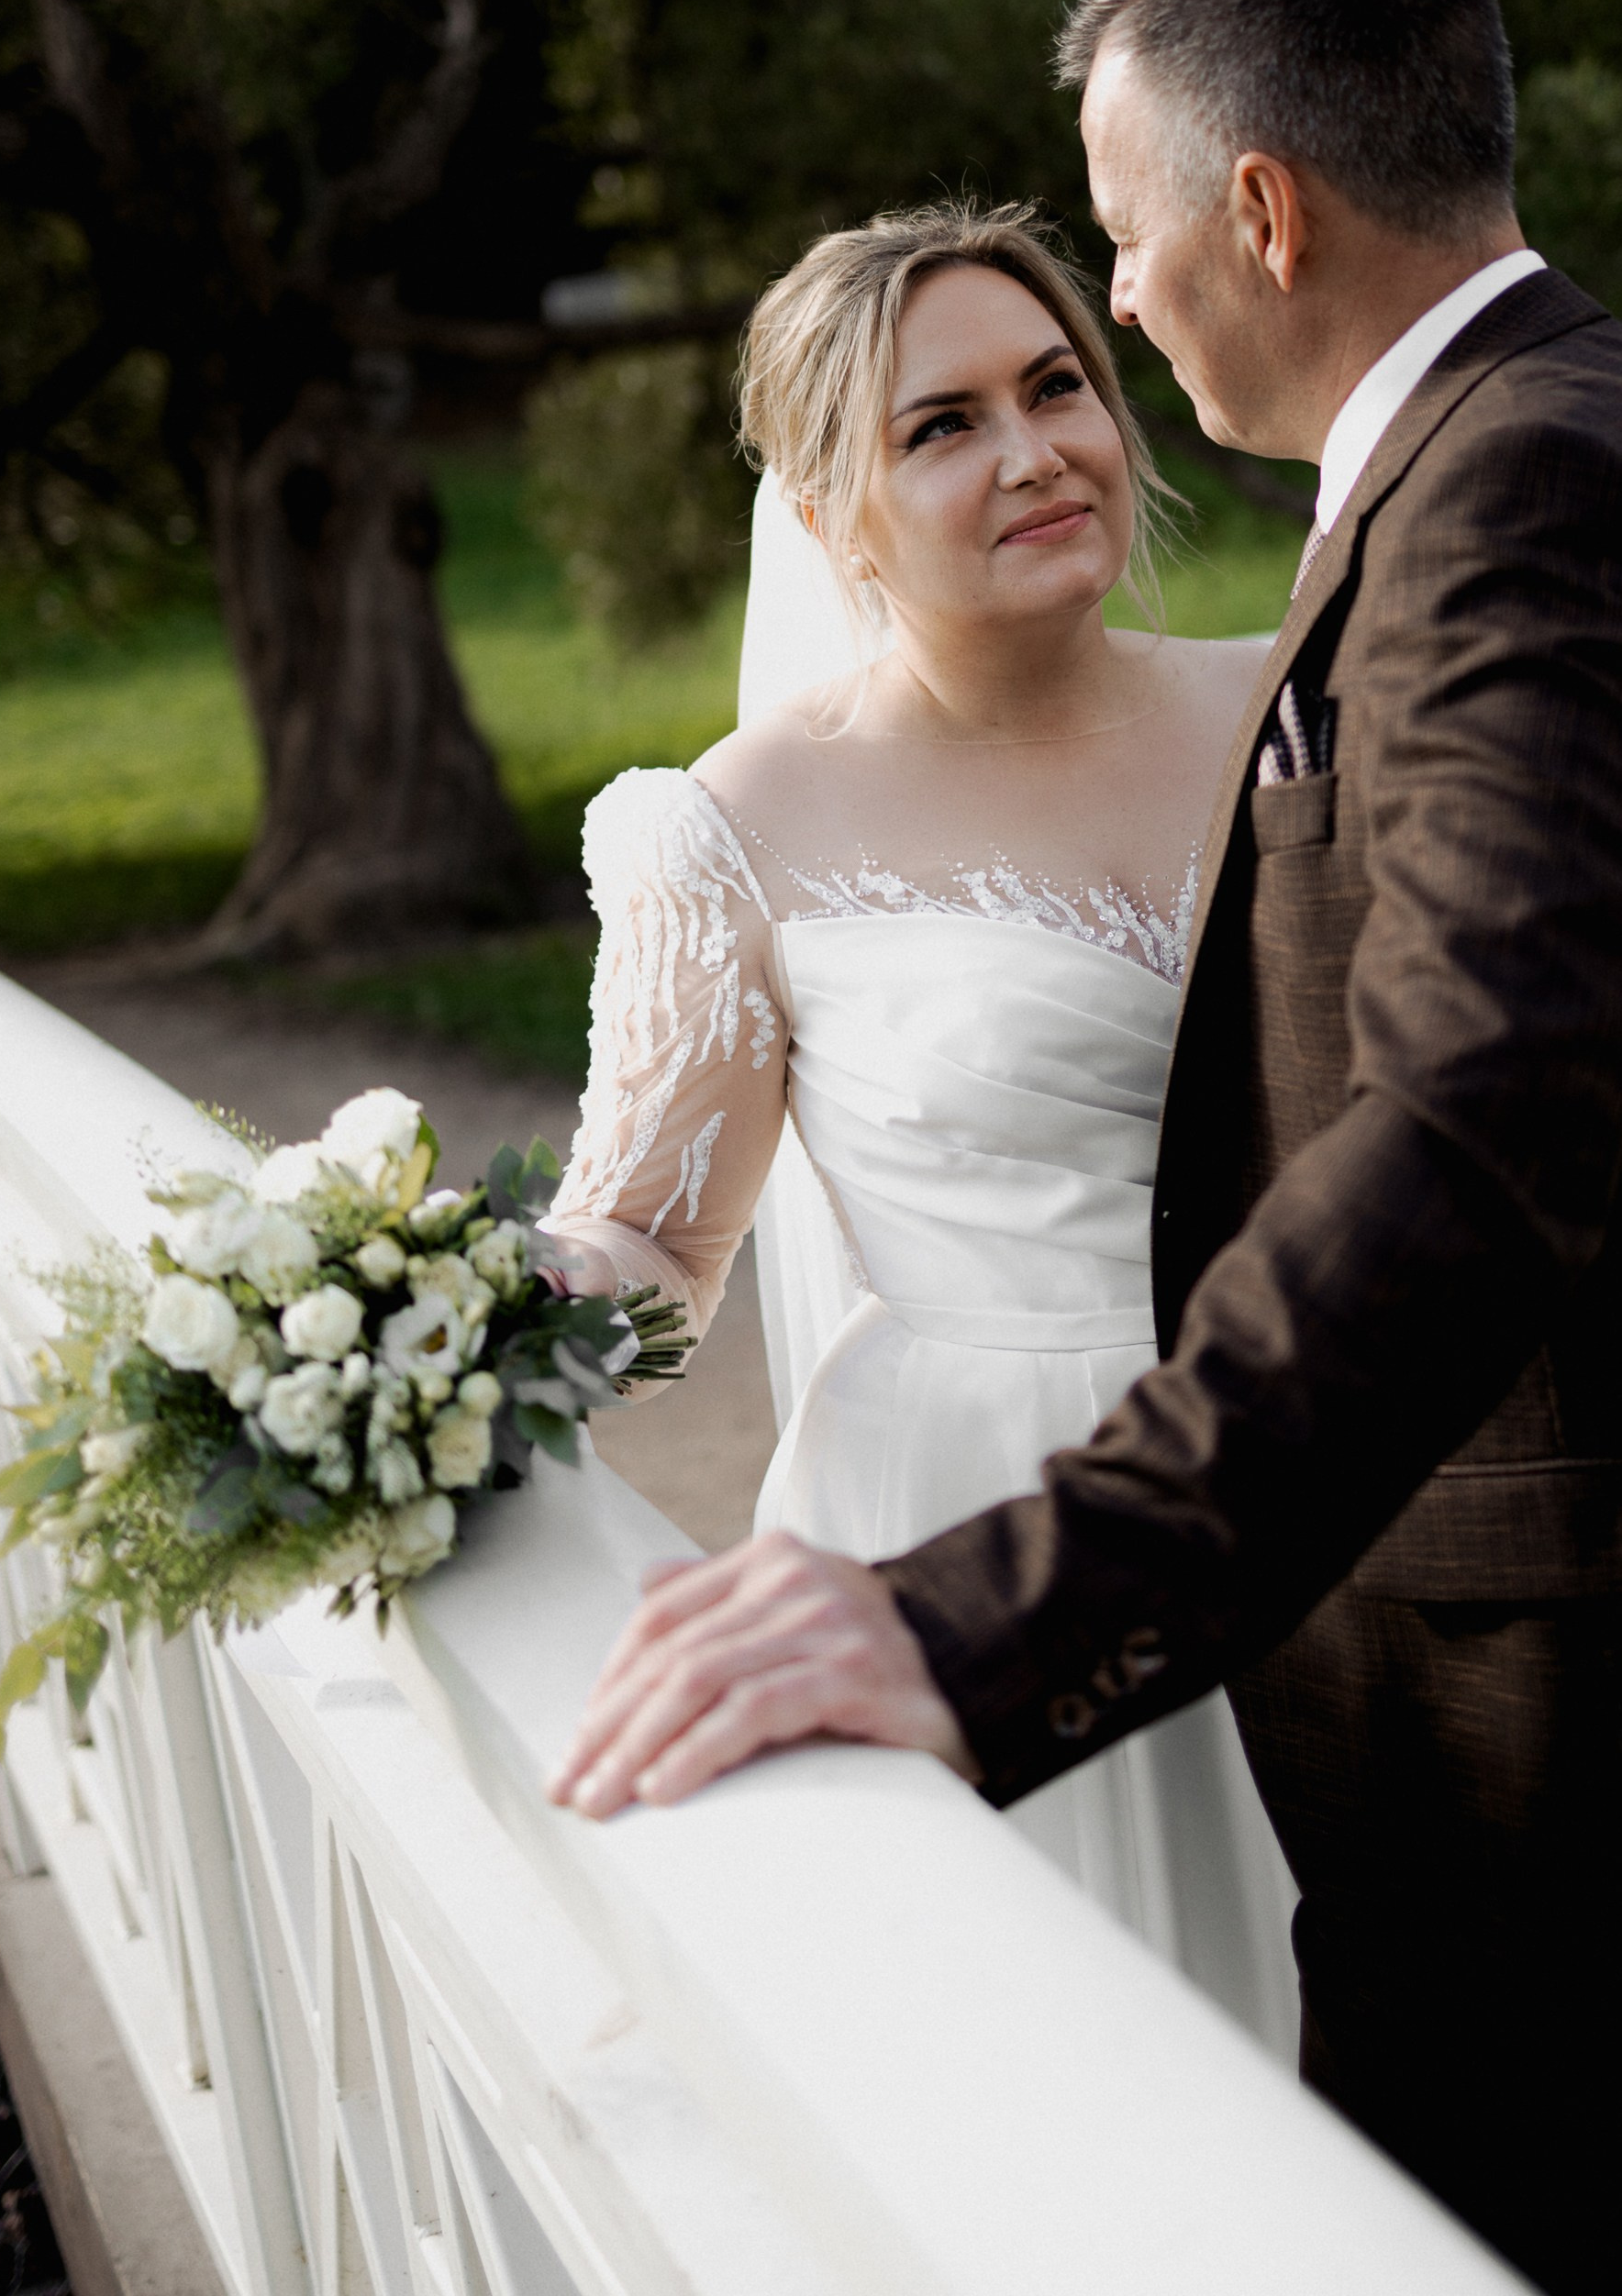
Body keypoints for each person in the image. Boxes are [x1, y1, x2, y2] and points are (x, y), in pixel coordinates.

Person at [549, 0, 1622, 2296]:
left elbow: (1467, 1144)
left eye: (1118, 249)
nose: (1114, 315)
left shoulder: (1515, 505)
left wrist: (981, 1618)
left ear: (1260, 205)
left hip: (1610, 1712)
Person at [529, 198, 1301, 2052]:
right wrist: (420, 1320)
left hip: (1309, 1451)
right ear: (829, 510)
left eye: (1058, 387)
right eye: (939, 424)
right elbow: (651, 1248)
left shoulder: (1299, 699)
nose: (1033, 452)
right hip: (969, 1520)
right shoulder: (738, 825)